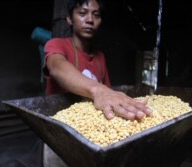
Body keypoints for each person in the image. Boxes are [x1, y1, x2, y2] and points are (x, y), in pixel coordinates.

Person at [43, 0, 152, 166]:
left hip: (91, 140)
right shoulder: (57, 45)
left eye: (96, 15)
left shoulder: (100, 56)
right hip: (60, 139)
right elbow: (57, 67)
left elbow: (108, 93)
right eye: (82, 13)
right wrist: (98, 90)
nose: (89, 20)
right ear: (69, 19)